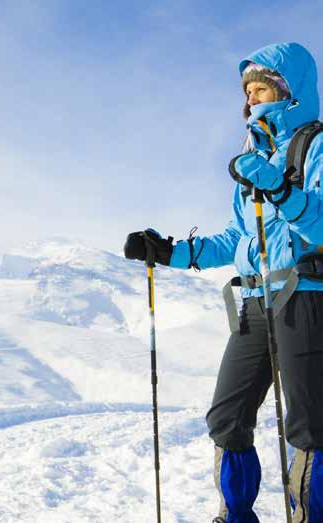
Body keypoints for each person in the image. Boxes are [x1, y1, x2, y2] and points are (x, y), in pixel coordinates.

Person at [124, 42, 323, 523]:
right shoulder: (251, 153)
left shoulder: (314, 145)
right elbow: (237, 235)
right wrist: (171, 251)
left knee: (310, 428)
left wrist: (279, 189)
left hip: (305, 296)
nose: (252, 100)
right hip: (255, 299)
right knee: (227, 418)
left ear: (289, 91)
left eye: (262, 89)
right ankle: (235, 516)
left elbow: (319, 225)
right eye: (248, 92)